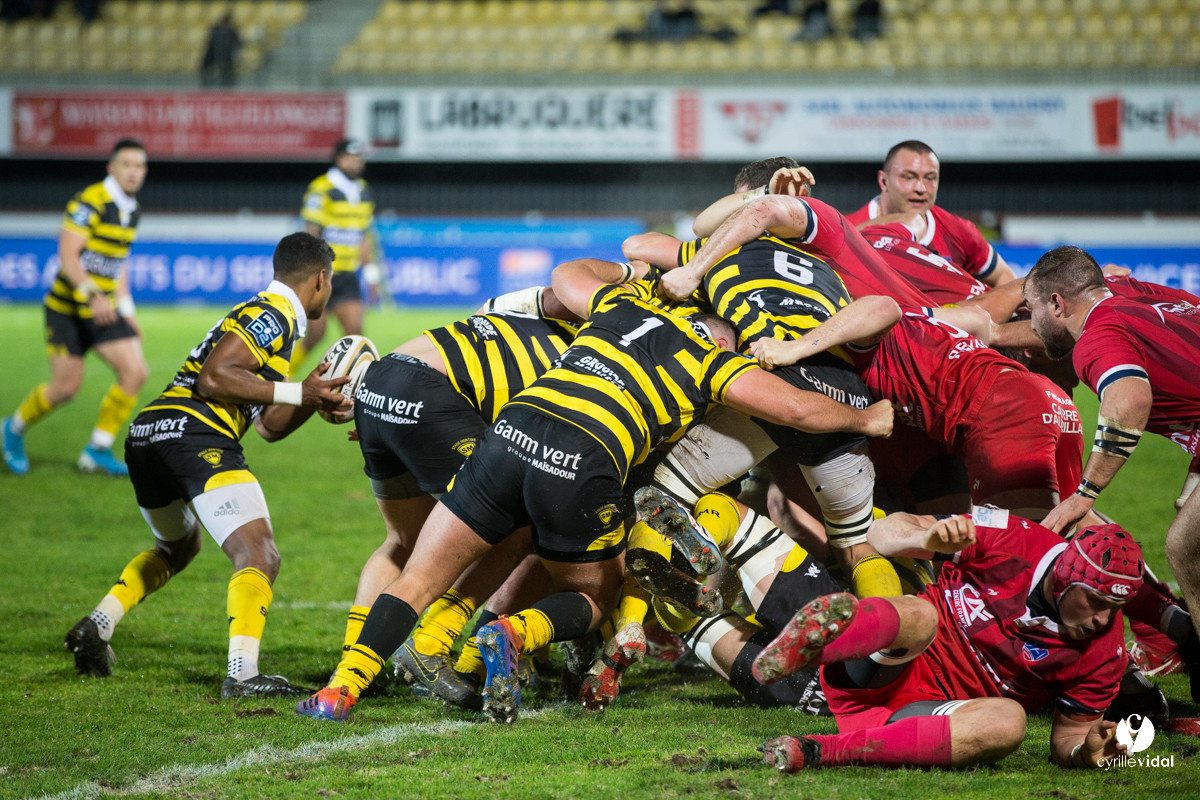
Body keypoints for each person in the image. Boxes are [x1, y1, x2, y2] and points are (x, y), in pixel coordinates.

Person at [295, 257, 893, 724]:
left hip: (511, 434)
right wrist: (868, 420)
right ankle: (511, 633)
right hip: (584, 458)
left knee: (417, 576)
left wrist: (641, 277)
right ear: (720, 339)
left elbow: (566, 275)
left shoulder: (622, 309)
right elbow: (795, 408)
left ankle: (339, 691)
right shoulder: (716, 364)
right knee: (590, 596)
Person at [63, 232, 351, 698]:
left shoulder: (265, 316)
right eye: (331, 280)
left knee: (178, 547)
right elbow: (215, 377)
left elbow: (269, 426)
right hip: (195, 432)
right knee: (259, 554)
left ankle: (97, 625)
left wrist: (310, 396)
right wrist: (301, 391)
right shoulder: (272, 313)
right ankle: (242, 674)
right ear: (321, 279)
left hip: (149, 433)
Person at [756, 511, 1145, 771]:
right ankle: (807, 652)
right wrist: (925, 536)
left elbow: (1070, 737)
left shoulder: (1105, 653)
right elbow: (881, 532)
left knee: (1009, 723)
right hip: (882, 665)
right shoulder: (1010, 535)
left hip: (929, 717)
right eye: (1096, 601)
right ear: (1063, 578)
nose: (1103, 619)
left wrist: (1085, 752)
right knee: (922, 615)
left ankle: (818, 751)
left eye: (1116, 607)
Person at [1025, 246, 1200, 694]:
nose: (1030, 323)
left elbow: (1130, 400)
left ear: (1058, 304)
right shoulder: (1136, 295)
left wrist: (1085, 493)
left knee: (1186, 547)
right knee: (1188, 511)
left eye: (1032, 309)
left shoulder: (1096, 340)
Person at [3, 139, 149, 478]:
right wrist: (91, 294)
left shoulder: (132, 210)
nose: (133, 171)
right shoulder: (90, 201)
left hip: (105, 311)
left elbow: (118, 264)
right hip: (67, 308)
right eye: (127, 164)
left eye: (140, 165)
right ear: (111, 168)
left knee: (135, 373)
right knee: (65, 388)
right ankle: (13, 427)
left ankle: (96, 450)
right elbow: (68, 255)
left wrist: (127, 310)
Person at [845, 140, 1017, 288]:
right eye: (909, 177)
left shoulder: (957, 231)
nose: (921, 188)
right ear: (884, 181)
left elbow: (1004, 277)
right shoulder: (848, 231)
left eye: (930, 178)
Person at [294, 139, 378, 369]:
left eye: (359, 158)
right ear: (339, 158)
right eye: (352, 157)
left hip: (348, 275)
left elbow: (363, 236)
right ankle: (281, 376)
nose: (357, 163)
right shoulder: (321, 188)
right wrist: (312, 272)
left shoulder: (363, 191)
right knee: (316, 334)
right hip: (321, 274)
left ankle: (350, 388)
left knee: (356, 337)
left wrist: (371, 275)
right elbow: (311, 233)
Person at [200, 12, 241, 88]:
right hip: (215, 54)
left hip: (226, 56)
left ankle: (226, 85)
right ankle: (209, 84)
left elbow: (237, 43)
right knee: (211, 68)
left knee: (226, 71)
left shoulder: (231, 31)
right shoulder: (216, 30)